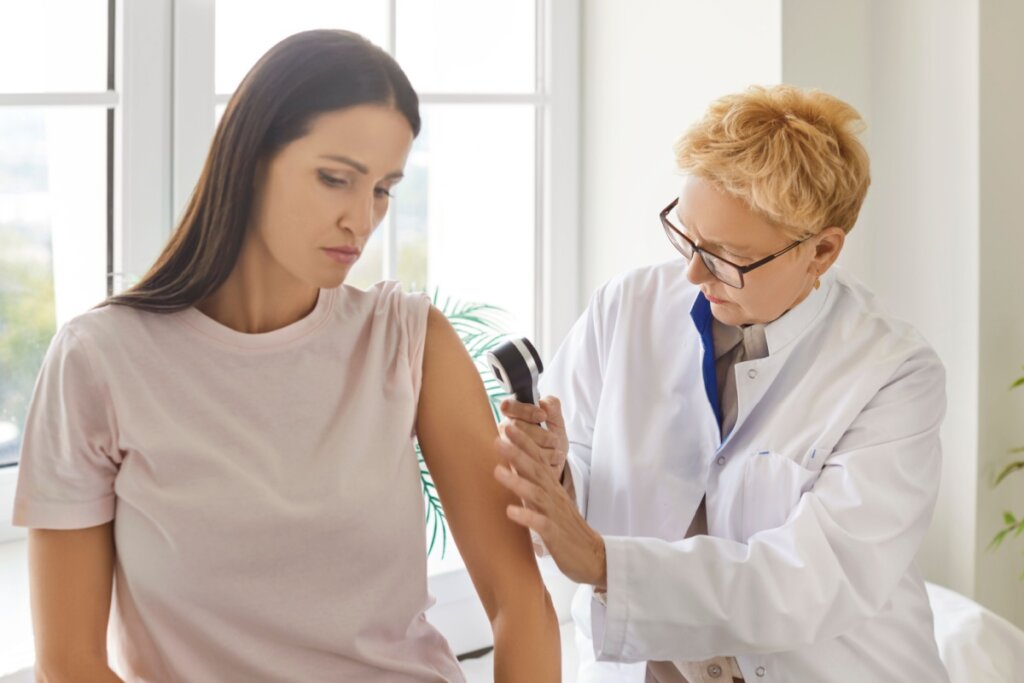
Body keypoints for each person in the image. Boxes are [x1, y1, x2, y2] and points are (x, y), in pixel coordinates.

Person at [13, 29, 559, 682]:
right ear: (249, 158)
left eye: (383, 189)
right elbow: (69, 663)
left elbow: (520, 602)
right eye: (335, 179)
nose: (362, 219)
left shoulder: (409, 340)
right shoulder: (100, 360)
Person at [494, 84, 950, 682]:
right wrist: (557, 471)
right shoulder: (627, 306)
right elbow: (581, 463)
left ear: (821, 252)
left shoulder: (892, 373)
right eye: (687, 235)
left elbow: (810, 581)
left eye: (727, 256)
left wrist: (605, 564)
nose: (692, 272)